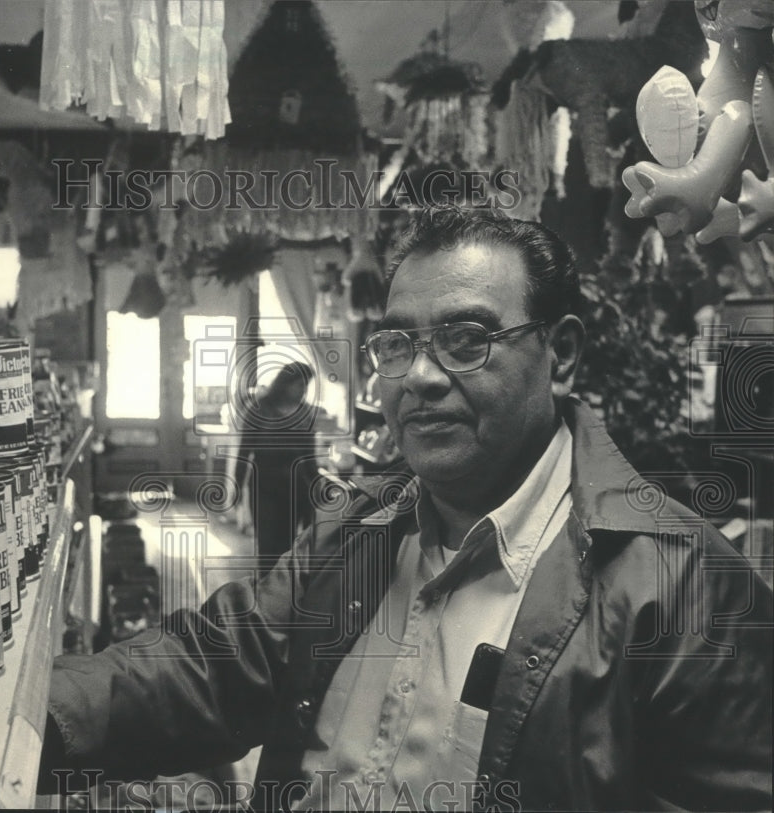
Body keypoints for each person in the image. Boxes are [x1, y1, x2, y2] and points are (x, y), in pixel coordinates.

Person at [39, 205, 772, 812]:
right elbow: (219, 662)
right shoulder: (359, 525)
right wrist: (29, 716)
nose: (419, 376)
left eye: (465, 339)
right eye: (397, 343)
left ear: (564, 354)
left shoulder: (682, 586)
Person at [232, 360, 319, 572]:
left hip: (296, 489)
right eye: (299, 385)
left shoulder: (305, 413)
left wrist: (316, 488)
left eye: (306, 386)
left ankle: (283, 596)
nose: (303, 391)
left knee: (289, 546)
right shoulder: (260, 409)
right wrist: (236, 486)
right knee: (268, 546)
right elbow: (244, 452)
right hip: (265, 488)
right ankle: (266, 594)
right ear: (285, 383)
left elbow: (309, 457)